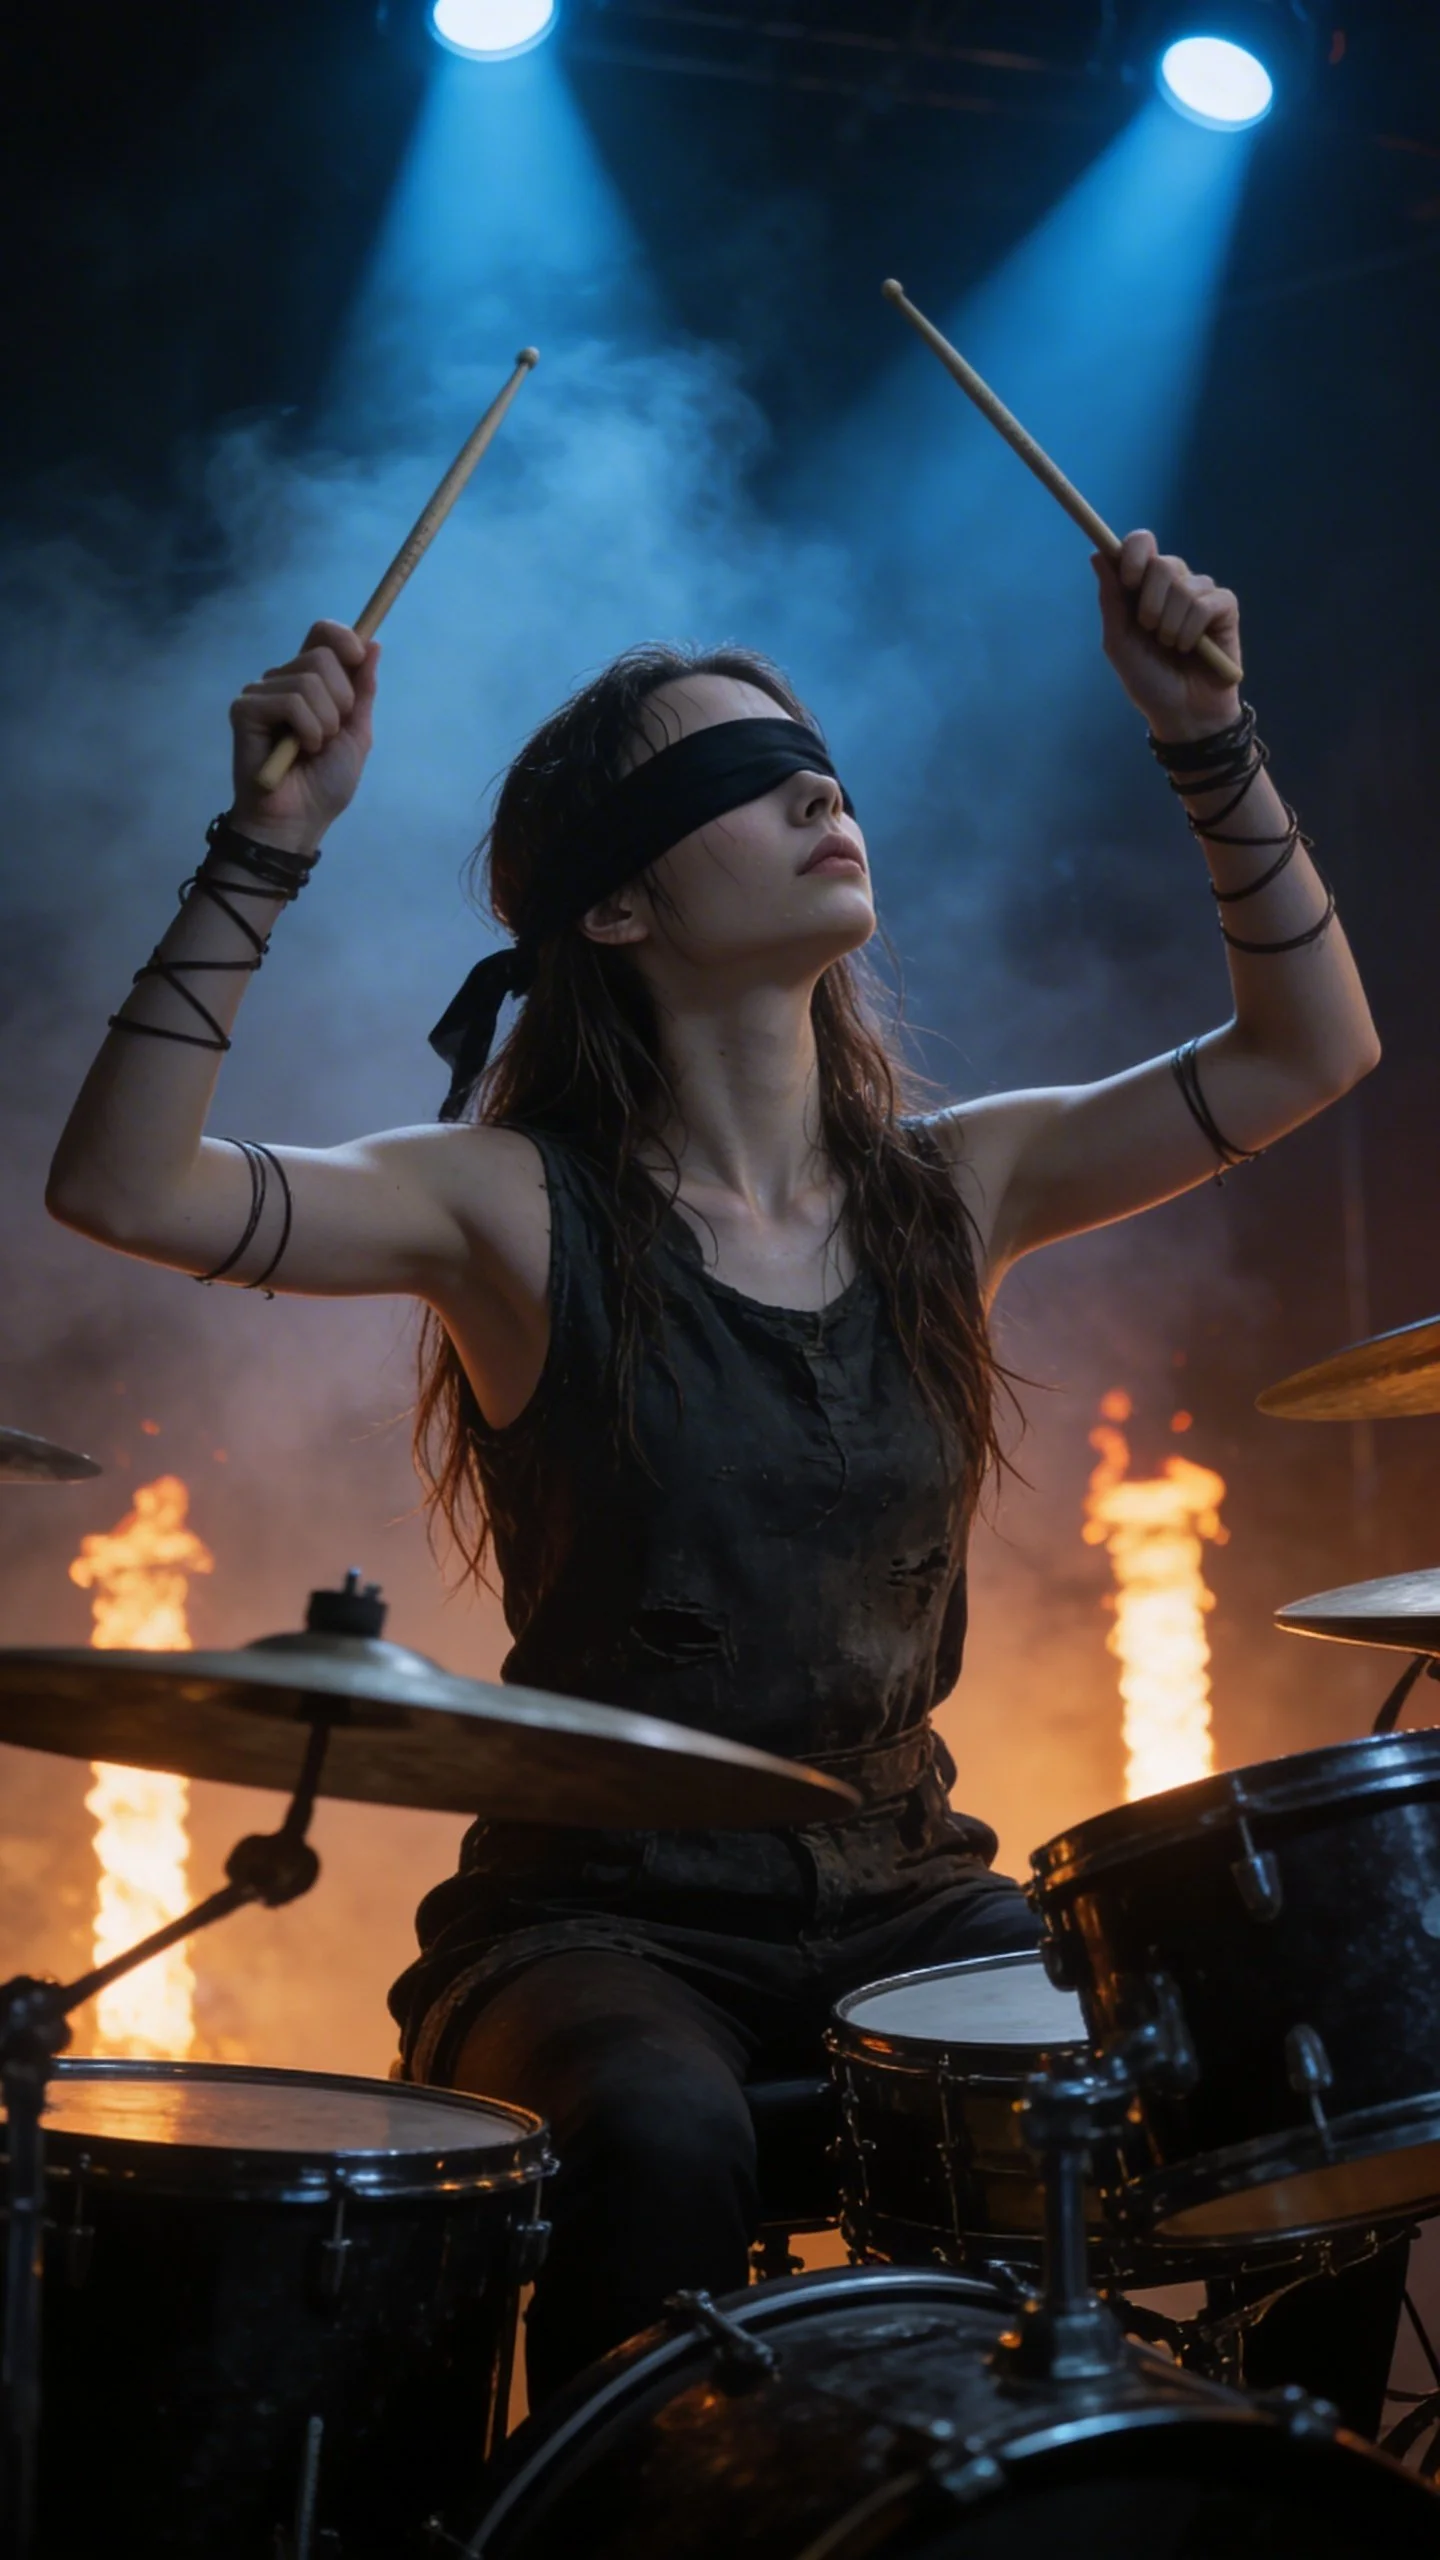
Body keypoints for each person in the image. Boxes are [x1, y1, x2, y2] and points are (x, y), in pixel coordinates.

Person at [48, 532, 1395, 2419]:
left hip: (907, 1885)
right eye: (738, 783)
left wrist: (1210, 738)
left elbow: (1313, 1048)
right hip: (599, 1924)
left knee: (1292, 2067)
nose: (817, 793)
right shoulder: (509, 1211)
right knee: (668, 2140)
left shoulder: (956, 1183)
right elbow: (120, 1189)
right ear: (612, 913)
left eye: (819, 763)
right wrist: (263, 843)